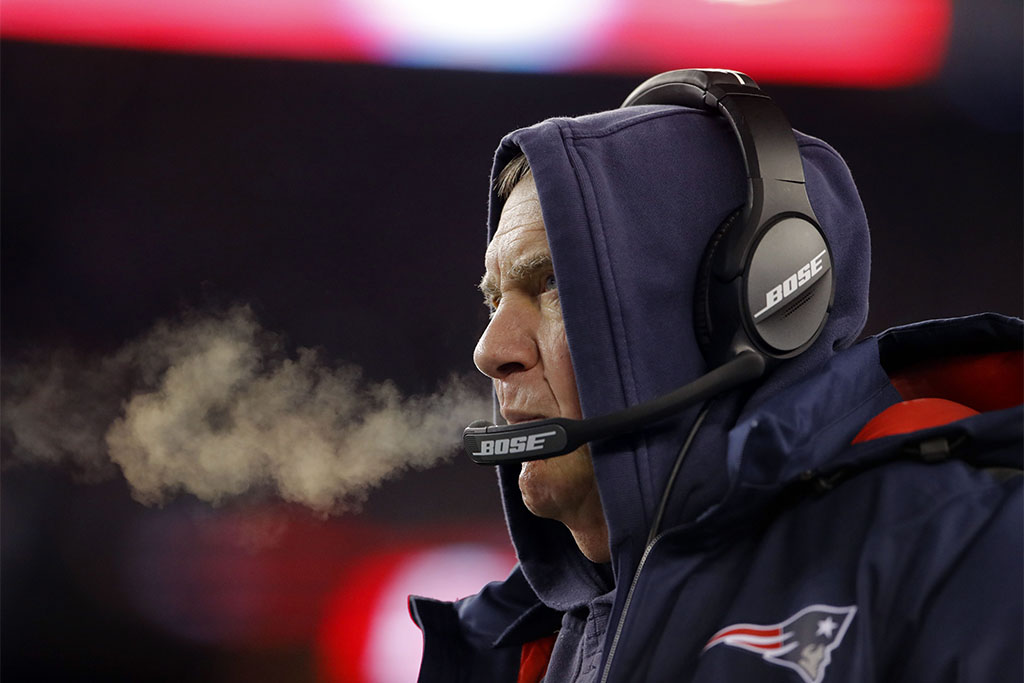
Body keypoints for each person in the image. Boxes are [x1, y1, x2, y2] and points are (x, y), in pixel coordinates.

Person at [409, 69, 1023, 682]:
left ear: (751, 306)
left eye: (553, 285)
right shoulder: (503, 643)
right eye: (494, 301)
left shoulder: (966, 549)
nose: (491, 352)